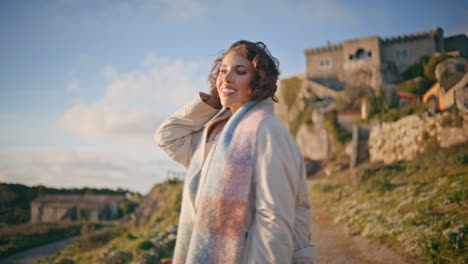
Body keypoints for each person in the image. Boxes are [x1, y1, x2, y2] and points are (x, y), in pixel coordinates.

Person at [154, 40, 315, 264]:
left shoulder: (267, 131)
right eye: (222, 71)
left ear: (259, 80)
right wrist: (211, 102)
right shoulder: (217, 135)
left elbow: (273, 222)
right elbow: (168, 137)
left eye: (239, 72)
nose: (226, 78)